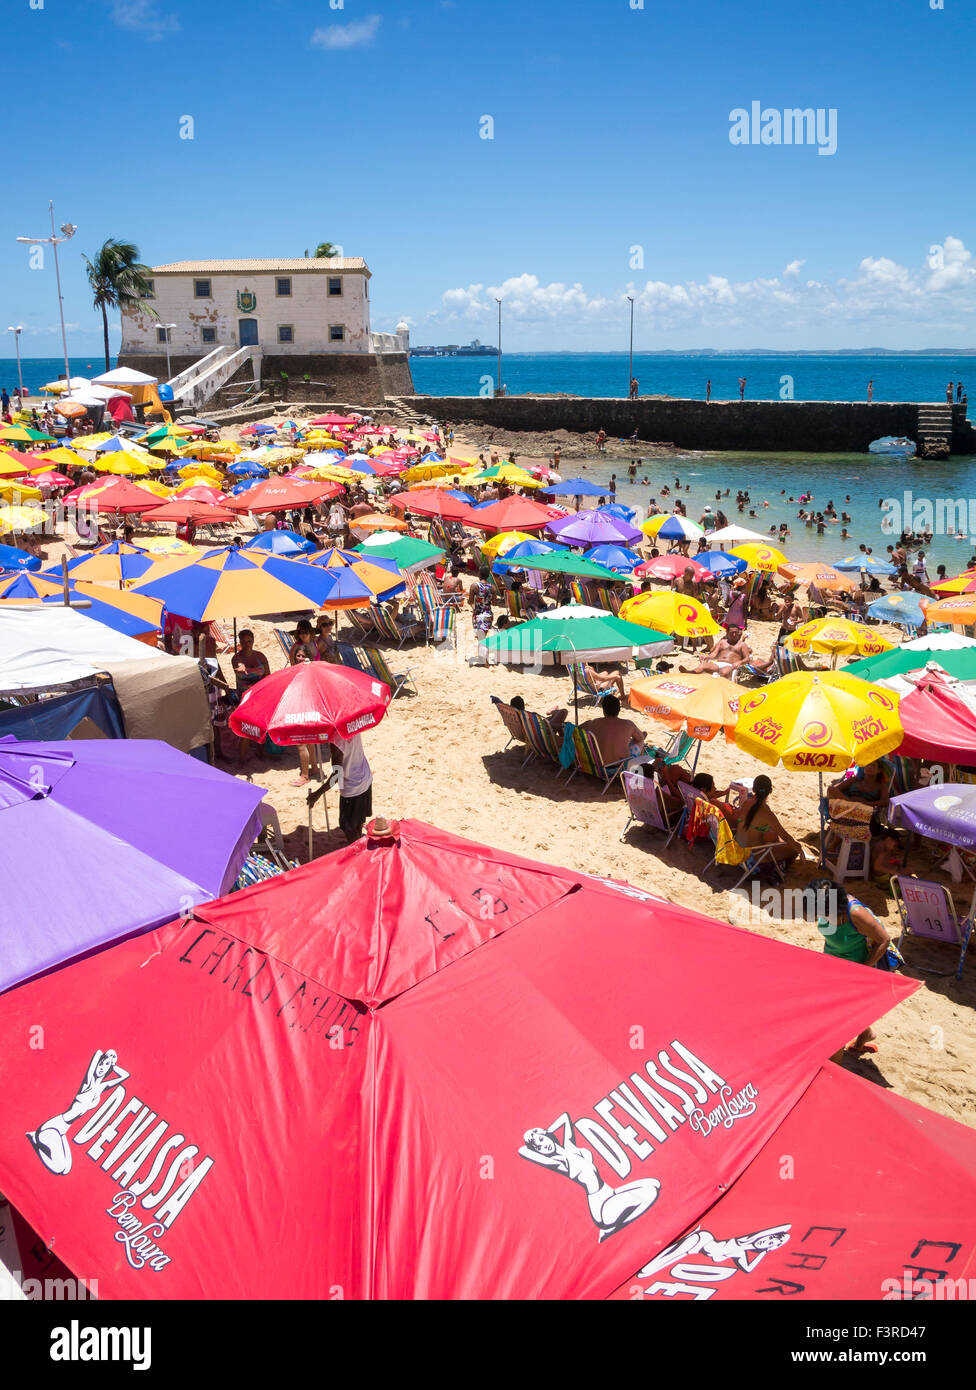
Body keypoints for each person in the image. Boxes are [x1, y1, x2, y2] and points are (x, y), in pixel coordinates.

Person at [809, 878, 891, 1058]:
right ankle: (865, 1034)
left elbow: (884, 939)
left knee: (835, 1012)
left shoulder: (855, 913)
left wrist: (865, 968)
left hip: (854, 966)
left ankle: (834, 1056)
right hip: (832, 961)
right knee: (834, 1006)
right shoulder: (822, 907)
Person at [735, 774, 801, 870]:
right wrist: (801, 851)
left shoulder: (746, 803)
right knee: (795, 848)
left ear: (753, 789)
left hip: (736, 852)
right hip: (752, 858)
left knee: (771, 837)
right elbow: (786, 837)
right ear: (770, 791)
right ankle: (779, 868)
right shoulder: (767, 813)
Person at [328, 726, 373, 843]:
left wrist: (316, 794)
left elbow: (336, 776)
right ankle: (360, 845)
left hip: (352, 788)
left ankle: (358, 853)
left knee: (348, 827)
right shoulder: (352, 727)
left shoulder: (335, 742)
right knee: (358, 821)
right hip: (365, 778)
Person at [581, 693, 645, 764]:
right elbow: (640, 738)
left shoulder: (592, 723)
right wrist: (643, 735)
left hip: (597, 767)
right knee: (640, 741)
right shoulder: (628, 724)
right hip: (620, 767)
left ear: (604, 709)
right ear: (619, 710)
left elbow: (575, 729)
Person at [680, 625, 751, 676]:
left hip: (730, 665)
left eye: (736, 632)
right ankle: (689, 672)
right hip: (718, 663)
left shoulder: (742, 644)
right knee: (703, 667)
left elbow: (747, 658)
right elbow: (714, 654)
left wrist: (739, 662)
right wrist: (707, 657)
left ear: (739, 632)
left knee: (724, 673)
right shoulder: (722, 642)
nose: (734, 634)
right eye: (732, 633)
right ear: (727, 633)